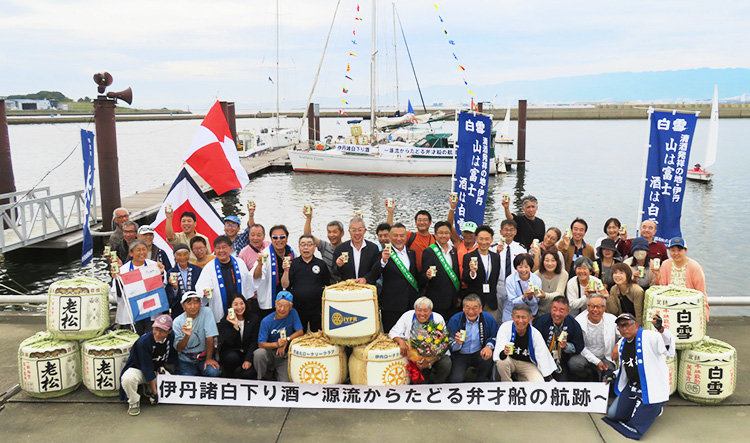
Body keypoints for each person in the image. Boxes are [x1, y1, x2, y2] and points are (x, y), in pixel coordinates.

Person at [602, 313, 675, 440]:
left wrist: (660, 328)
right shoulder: (622, 344)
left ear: (636, 325)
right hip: (633, 386)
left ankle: (657, 408)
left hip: (651, 386)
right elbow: (627, 367)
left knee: (640, 419)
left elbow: (668, 347)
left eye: (626, 325)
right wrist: (613, 375)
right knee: (613, 415)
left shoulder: (650, 337)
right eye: (620, 326)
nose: (624, 329)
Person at [120, 314, 177, 416]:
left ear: (169, 331)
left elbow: (171, 356)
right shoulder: (143, 342)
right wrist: (155, 392)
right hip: (138, 369)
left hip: (157, 369)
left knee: (173, 386)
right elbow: (146, 367)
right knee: (128, 379)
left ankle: (148, 388)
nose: (158, 333)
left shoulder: (171, 337)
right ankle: (133, 402)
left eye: (162, 331)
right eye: (156, 329)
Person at [389, 297, 452, 384]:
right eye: (419, 310)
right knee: (421, 384)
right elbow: (393, 332)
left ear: (430, 311)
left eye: (425, 310)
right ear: (415, 310)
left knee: (446, 363)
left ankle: (437, 383)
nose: (422, 314)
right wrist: (401, 342)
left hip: (434, 357)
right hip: (415, 358)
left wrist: (430, 361)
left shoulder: (438, 318)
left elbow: (443, 343)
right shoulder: (407, 316)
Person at [110, 239, 166, 335]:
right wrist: (116, 279)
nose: (142, 253)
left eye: (144, 249)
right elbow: (117, 294)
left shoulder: (154, 266)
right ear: (131, 253)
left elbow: (163, 285)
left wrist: (161, 273)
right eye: (138, 250)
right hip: (131, 312)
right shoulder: (123, 270)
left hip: (151, 310)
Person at [196, 235, 254, 322]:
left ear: (231, 248)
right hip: (219, 311)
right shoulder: (209, 267)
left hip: (239, 309)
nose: (221, 251)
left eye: (224, 247)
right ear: (214, 250)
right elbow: (202, 287)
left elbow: (248, 285)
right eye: (218, 248)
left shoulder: (240, 263)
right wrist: (204, 292)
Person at [493, 304, 557, 382]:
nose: (520, 321)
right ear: (512, 317)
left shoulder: (535, 334)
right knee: (501, 363)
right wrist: (504, 352)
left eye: (523, 317)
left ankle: (520, 378)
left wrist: (548, 377)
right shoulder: (505, 327)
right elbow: (500, 355)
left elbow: (541, 356)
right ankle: (508, 385)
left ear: (530, 319)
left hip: (527, 364)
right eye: (517, 317)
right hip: (510, 360)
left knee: (538, 382)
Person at [281, 234, 331, 332]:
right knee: (299, 335)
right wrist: (286, 271)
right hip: (298, 308)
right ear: (299, 247)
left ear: (314, 247)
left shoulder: (321, 264)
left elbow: (326, 284)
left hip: (317, 308)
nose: (306, 247)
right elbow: (284, 285)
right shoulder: (293, 264)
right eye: (303, 245)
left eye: (309, 244)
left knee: (317, 335)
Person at [377, 223, 419, 332]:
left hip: (410, 304)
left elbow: (415, 277)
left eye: (402, 236)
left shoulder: (412, 253)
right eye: (395, 236)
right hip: (391, 305)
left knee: (410, 336)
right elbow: (374, 274)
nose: (399, 239)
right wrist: (383, 261)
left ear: (406, 237)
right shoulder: (383, 254)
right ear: (390, 237)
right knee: (391, 338)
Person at [446, 294, 498, 383]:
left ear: (480, 308)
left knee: (488, 357)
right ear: (463, 308)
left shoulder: (488, 319)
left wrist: (489, 346)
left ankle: (481, 382)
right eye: (467, 308)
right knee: (456, 380)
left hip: (479, 352)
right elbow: (448, 343)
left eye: (474, 308)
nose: (471, 311)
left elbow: (495, 336)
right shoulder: (455, 320)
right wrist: (457, 343)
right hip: (460, 355)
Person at [253, 291, 304, 382]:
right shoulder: (266, 321)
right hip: (270, 352)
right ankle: (261, 378)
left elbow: (300, 332)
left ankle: (278, 374)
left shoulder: (293, 313)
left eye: (286, 306)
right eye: (279, 305)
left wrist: (286, 340)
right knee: (259, 353)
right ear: (275, 305)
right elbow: (261, 344)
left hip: (284, 354)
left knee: (285, 382)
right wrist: (277, 344)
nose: (282, 309)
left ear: (290, 307)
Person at [654, 237, 709, 320]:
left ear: (685, 250)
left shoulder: (694, 267)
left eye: (679, 250)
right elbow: (662, 288)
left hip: (689, 304)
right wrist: (657, 275)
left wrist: (703, 311)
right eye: (673, 250)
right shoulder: (665, 264)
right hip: (670, 303)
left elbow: (701, 292)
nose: (676, 253)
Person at [533, 296, 586, 381]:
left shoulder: (572, 323)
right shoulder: (541, 321)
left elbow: (579, 345)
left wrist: (566, 346)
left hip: (562, 360)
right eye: (554, 309)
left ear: (567, 311)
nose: (557, 314)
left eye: (561, 310)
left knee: (562, 383)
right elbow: (534, 343)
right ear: (550, 309)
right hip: (542, 359)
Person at [251, 225, 297, 319]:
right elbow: (255, 277)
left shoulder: (291, 251)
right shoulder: (265, 254)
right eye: (275, 237)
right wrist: (260, 264)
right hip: (270, 300)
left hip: (287, 297)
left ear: (287, 238)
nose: (279, 240)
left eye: (282, 237)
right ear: (271, 239)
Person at [172, 291, 220, 377]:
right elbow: (178, 348)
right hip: (186, 359)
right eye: (189, 303)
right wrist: (187, 336)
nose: (193, 306)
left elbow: (210, 337)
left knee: (213, 372)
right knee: (187, 381)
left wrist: (208, 358)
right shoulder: (177, 321)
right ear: (183, 306)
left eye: (196, 302)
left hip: (204, 355)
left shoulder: (206, 312)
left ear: (200, 303)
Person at [420, 221, 461, 320]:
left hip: (453, 299)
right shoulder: (429, 251)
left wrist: (458, 296)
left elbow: (457, 274)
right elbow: (421, 277)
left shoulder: (454, 251)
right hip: (437, 299)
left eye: (446, 233)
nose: (444, 235)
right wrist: (427, 276)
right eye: (441, 233)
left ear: (450, 234)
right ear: (435, 234)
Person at [573, 294, 620, 382]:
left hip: (605, 356)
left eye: (599, 307)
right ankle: (589, 375)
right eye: (592, 306)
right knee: (574, 364)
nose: (595, 310)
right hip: (585, 356)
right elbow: (580, 346)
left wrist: (617, 346)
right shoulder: (578, 321)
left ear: (604, 308)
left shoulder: (612, 320)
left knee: (609, 376)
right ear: (587, 307)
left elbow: (623, 336)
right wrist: (596, 362)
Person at [462, 225, 500, 319]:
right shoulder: (468, 257)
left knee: (490, 327)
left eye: (487, 239)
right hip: (474, 301)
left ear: (491, 239)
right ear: (476, 239)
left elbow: (495, 278)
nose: (484, 242)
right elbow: (465, 279)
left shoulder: (496, 257)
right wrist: (472, 273)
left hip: (491, 301)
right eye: (481, 239)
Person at [218, 294, 260, 379]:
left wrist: (248, 360)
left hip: (247, 352)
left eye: (241, 303)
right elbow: (230, 342)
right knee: (232, 358)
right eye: (235, 304)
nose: (239, 307)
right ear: (230, 306)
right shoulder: (225, 321)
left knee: (248, 374)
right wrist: (235, 327)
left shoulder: (254, 318)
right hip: (230, 352)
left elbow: (254, 341)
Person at [385, 202, 436, 271]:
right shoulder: (410, 236)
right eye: (419, 220)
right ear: (415, 223)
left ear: (430, 222)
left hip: (429, 276)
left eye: (425, 220)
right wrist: (390, 212)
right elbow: (391, 230)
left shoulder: (435, 239)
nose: (422, 223)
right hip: (412, 276)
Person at [331, 216, 381, 285]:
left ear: (365, 231)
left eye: (360, 230)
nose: (357, 233)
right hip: (347, 288)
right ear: (349, 231)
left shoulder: (373, 248)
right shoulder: (341, 248)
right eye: (354, 230)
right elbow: (334, 271)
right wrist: (339, 265)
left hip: (367, 288)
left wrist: (365, 279)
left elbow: (377, 271)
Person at [495, 219, 528, 312]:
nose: (508, 232)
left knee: (515, 310)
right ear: (501, 232)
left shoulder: (521, 248)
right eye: (506, 230)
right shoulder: (494, 248)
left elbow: (525, 267)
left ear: (515, 232)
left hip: (515, 284)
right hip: (499, 284)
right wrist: (497, 253)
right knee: (498, 312)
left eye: (511, 230)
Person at [303, 205, 345, 276]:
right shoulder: (325, 246)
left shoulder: (347, 249)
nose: (331, 235)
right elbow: (308, 235)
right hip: (328, 284)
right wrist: (308, 218)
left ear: (342, 233)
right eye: (329, 232)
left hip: (345, 284)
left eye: (335, 232)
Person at [165, 244, 202, 318]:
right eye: (179, 255)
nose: (182, 257)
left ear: (189, 255)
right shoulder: (171, 273)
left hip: (196, 308)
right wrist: (175, 288)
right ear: (175, 257)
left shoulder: (197, 270)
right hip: (178, 310)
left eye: (185, 254)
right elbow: (169, 296)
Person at [502, 253, 542, 322]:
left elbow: (537, 300)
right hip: (511, 315)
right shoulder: (510, 279)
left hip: (529, 315)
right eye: (520, 267)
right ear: (516, 267)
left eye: (526, 267)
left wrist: (530, 297)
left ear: (530, 267)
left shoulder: (536, 280)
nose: (523, 270)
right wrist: (524, 297)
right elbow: (512, 301)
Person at [534, 249, 569, 316]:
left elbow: (560, 293)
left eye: (553, 261)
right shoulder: (536, 275)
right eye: (547, 260)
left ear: (557, 262)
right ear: (542, 262)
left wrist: (545, 295)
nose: (550, 263)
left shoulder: (563, 274)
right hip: (540, 313)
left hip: (559, 313)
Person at [450, 220, 478, 297]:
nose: (468, 235)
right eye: (466, 232)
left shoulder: (480, 247)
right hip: (458, 285)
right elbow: (449, 224)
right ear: (462, 233)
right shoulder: (458, 243)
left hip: (474, 284)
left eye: (471, 232)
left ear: (475, 234)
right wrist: (452, 209)